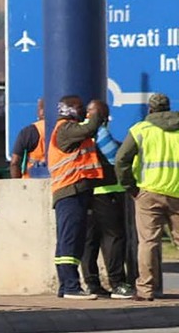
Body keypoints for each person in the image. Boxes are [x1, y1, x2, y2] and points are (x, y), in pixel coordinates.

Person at [115, 93, 179, 302]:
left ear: (150, 110)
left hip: (148, 193)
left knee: (148, 242)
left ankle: (145, 290)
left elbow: (121, 159)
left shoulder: (140, 130)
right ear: (169, 108)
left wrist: (129, 186)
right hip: (177, 193)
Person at [47, 95, 104, 300]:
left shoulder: (69, 130)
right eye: (80, 108)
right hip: (70, 190)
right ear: (69, 109)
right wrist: (96, 112)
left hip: (76, 191)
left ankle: (66, 286)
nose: (83, 112)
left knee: (71, 240)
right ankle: (71, 286)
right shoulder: (66, 129)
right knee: (70, 240)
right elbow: (89, 128)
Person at [80, 100, 134, 299]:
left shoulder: (79, 133)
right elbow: (115, 157)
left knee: (90, 240)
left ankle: (92, 284)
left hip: (85, 192)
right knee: (114, 237)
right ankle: (117, 283)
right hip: (107, 192)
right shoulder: (99, 132)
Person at [10, 99, 46, 178]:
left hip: (31, 182)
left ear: (40, 111)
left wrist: (17, 185)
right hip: (58, 182)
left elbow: (15, 162)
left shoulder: (28, 131)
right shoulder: (62, 128)